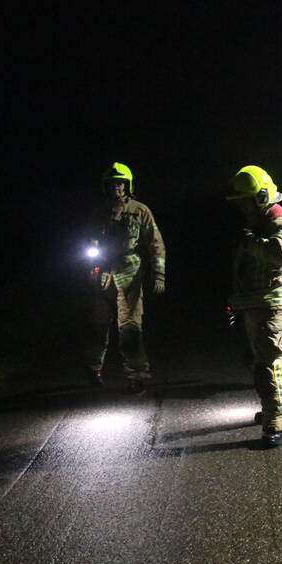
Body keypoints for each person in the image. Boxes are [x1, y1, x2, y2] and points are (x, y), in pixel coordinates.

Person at [227, 165, 282, 447]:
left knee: (266, 361)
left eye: (246, 201)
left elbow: (279, 253)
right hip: (261, 300)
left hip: (274, 301)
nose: (243, 207)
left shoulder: (279, 220)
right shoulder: (261, 221)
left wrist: (252, 243)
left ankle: (275, 421)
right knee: (272, 354)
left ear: (261, 196)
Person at [85, 162, 166, 394]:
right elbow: (89, 242)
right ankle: (93, 370)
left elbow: (155, 244)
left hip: (130, 274)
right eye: (112, 183)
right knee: (97, 326)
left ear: (128, 185)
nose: (116, 187)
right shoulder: (98, 213)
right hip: (102, 274)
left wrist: (159, 274)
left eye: (120, 183)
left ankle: (137, 376)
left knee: (130, 327)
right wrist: (90, 268)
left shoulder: (140, 210)